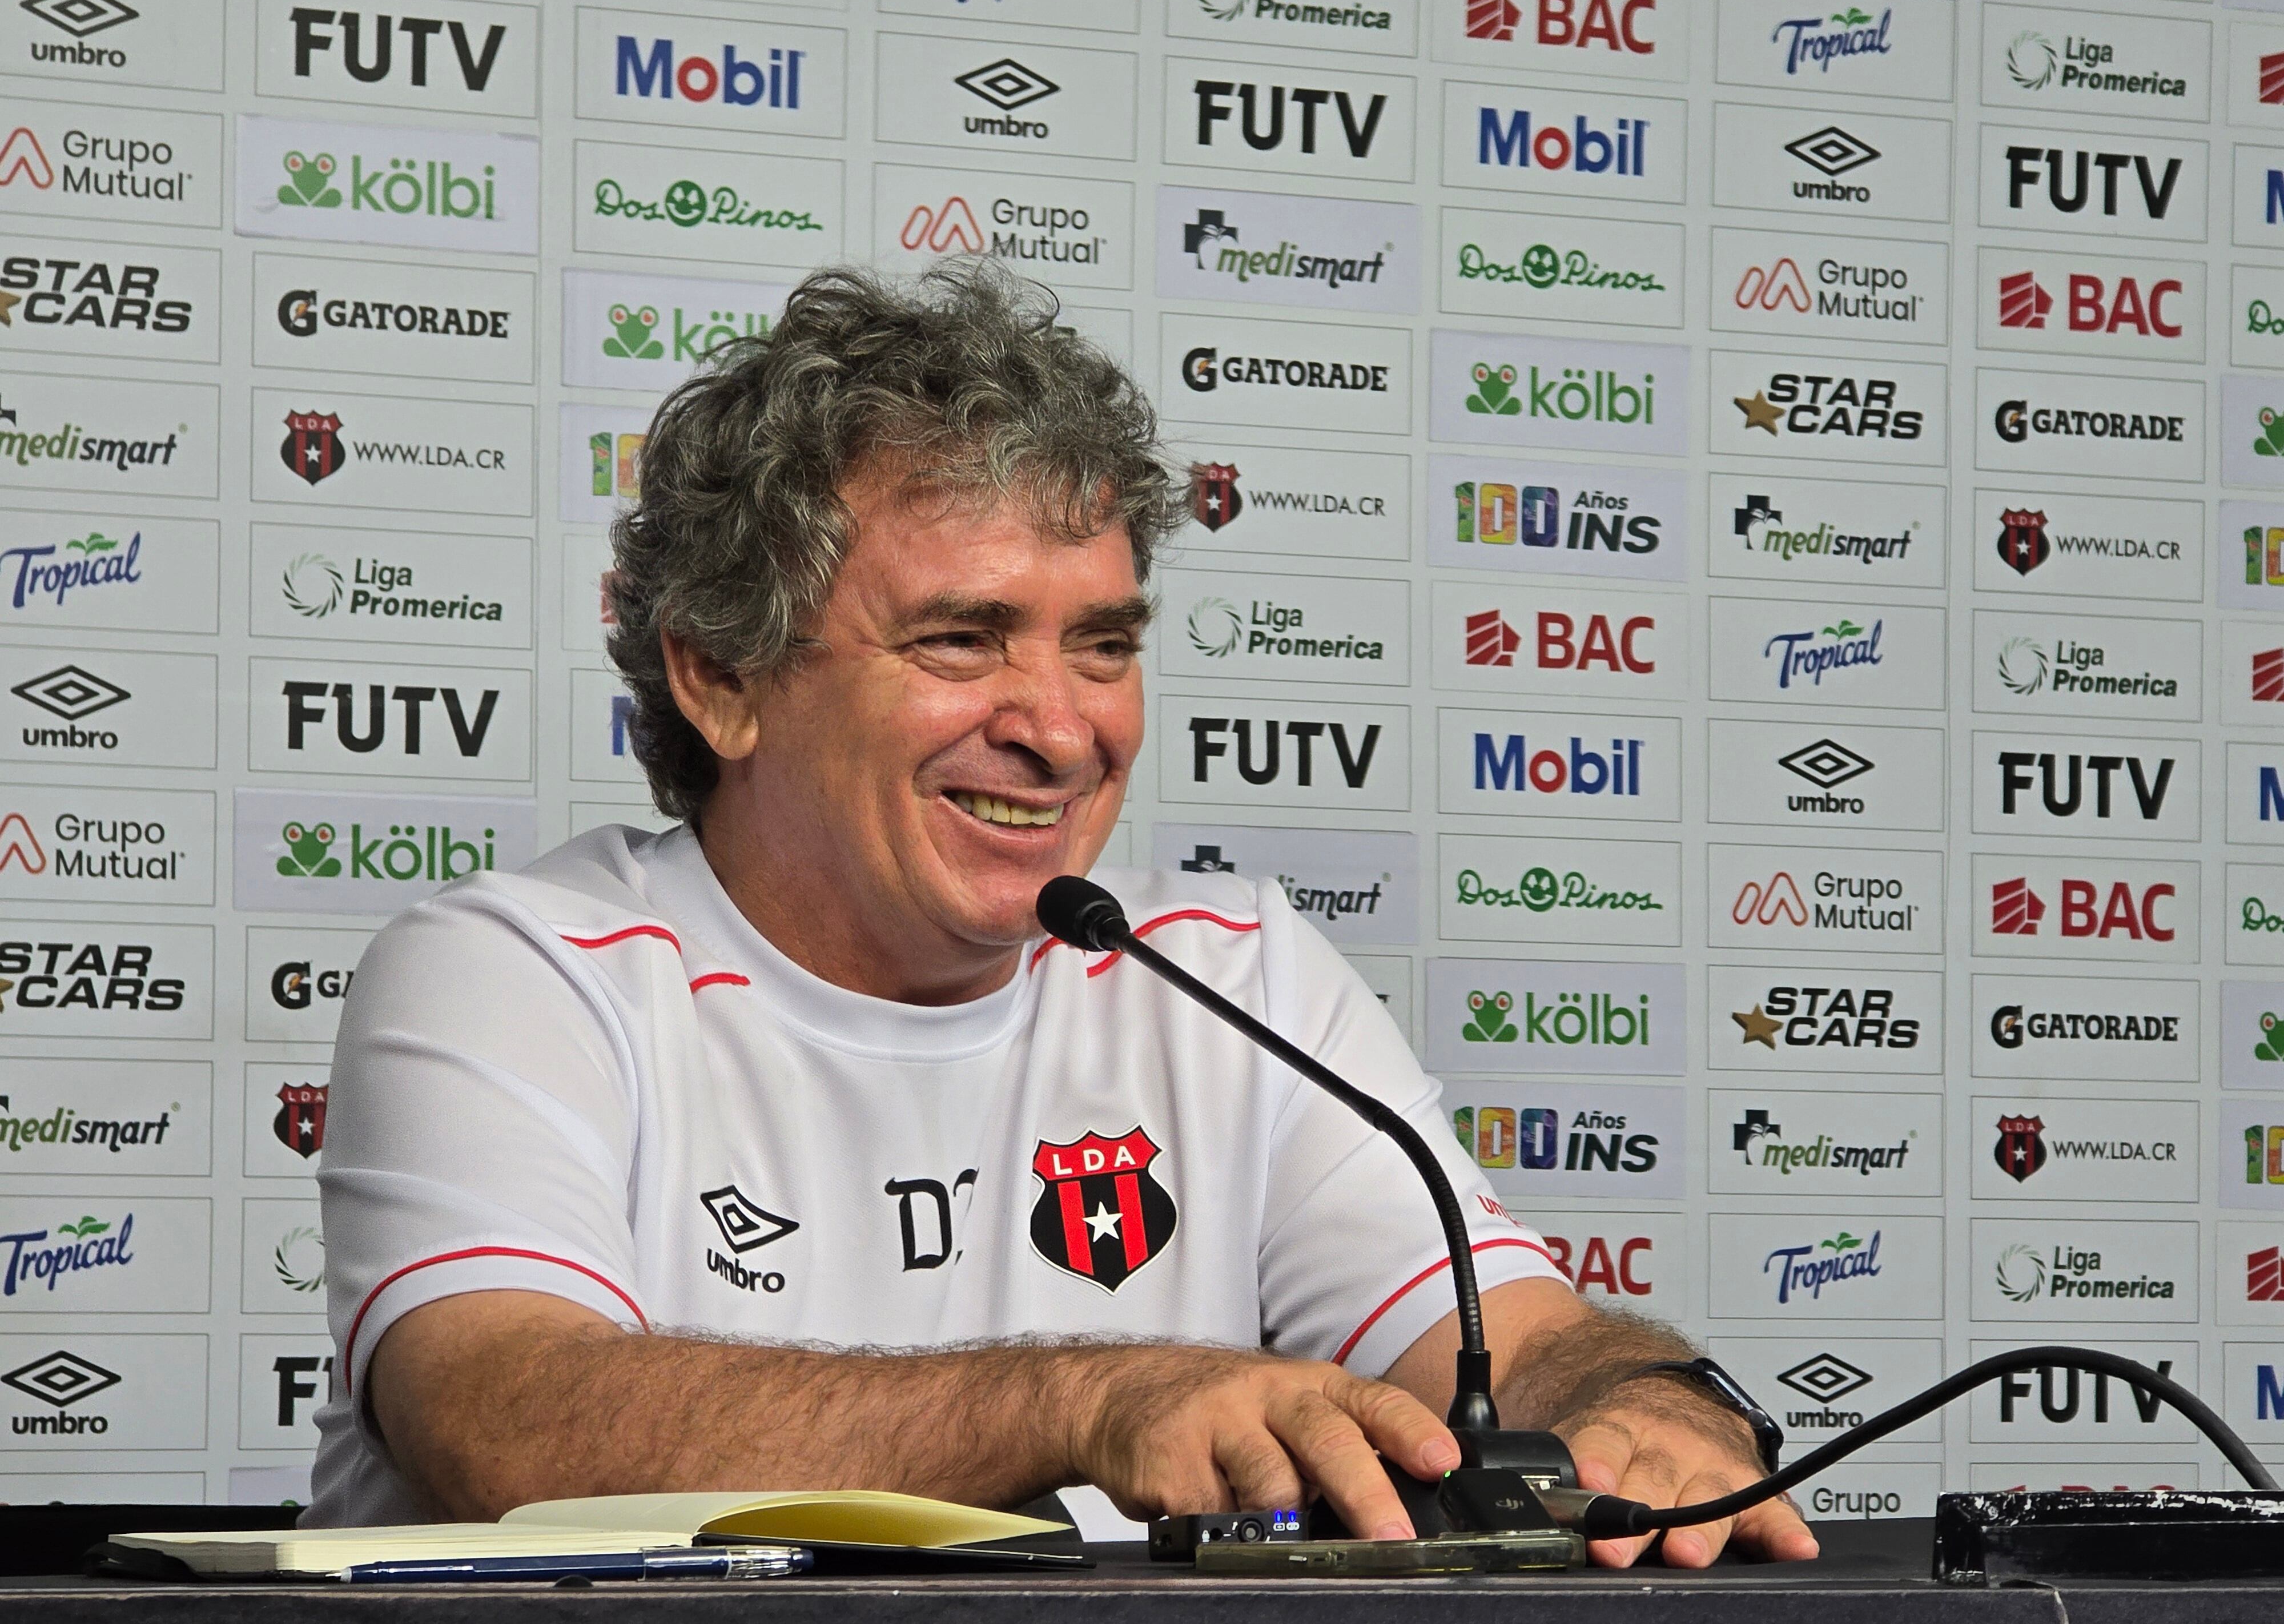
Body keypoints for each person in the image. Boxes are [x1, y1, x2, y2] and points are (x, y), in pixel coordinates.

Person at [305, 263, 1816, 1567]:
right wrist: (1085, 1401)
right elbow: (508, 1420)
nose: (1060, 726)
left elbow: (1527, 1347)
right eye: (963, 640)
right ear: (722, 675)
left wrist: (1653, 1415)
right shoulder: (518, 973)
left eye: (1102, 645)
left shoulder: (1232, 974)